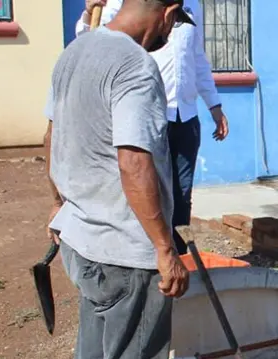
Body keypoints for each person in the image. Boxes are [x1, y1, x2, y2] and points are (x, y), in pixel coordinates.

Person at [44, 0, 206, 359]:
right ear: (167, 12)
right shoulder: (135, 67)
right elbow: (134, 158)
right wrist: (164, 248)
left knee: (95, 357)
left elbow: (51, 137)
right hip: (124, 246)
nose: (170, 35)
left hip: (82, 239)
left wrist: (60, 202)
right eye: (174, 25)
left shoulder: (77, 51)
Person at [79, 0, 229, 255]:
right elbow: (94, 42)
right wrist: (87, 14)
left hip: (186, 115)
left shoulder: (192, 6)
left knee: (181, 195)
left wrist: (214, 105)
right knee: (147, 190)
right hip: (148, 114)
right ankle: (147, 257)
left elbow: (198, 58)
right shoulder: (126, 3)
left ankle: (179, 256)